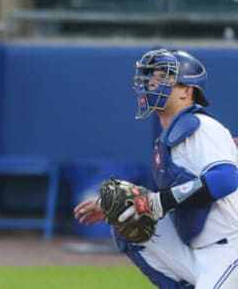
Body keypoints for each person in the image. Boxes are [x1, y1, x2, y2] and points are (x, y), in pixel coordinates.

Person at [74, 49, 238, 288]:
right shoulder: (168, 138)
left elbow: (225, 179)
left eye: (163, 78)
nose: (152, 83)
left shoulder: (201, 126)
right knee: (126, 217)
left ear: (186, 91)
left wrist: (155, 202)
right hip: (195, 249)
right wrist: (120, 205)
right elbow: (164, 201)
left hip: (229, 247)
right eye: (151, 77)